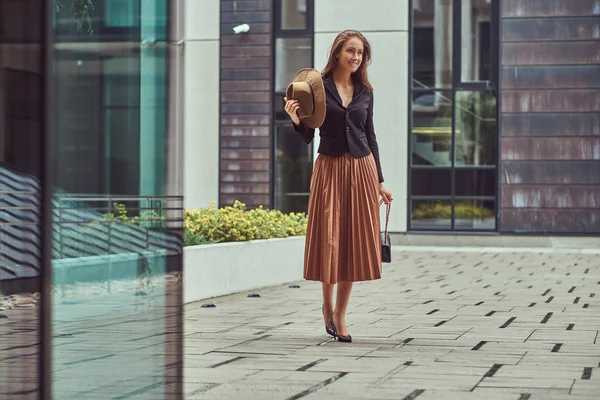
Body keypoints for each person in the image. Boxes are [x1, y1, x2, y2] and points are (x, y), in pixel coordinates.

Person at [283, 30, 393, 343]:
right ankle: (326, 306)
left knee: (353, 241)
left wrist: (380, 181)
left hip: (362, 167)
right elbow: (308, 134)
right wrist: (296, 121)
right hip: (329, 167)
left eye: (361, 53)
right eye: (351, 51)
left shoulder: (365, 91)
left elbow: (370, 137)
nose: (356, 58)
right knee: (330, 238)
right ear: (338, 53)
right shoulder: (318, 86)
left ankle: (341, 314)